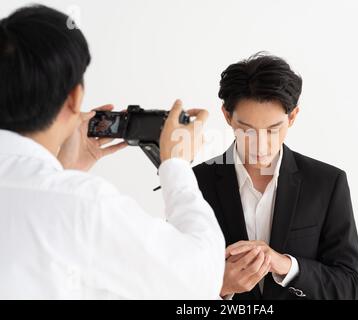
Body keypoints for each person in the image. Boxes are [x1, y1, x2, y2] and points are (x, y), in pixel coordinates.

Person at [0, 5, 224, 299]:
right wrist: (177, 165)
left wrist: (65, 169)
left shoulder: (69, 198)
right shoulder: (85, 205)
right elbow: (200, 278)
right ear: (74, 97)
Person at [193, 53, 358, 300]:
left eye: (273, 130)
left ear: (292, 117)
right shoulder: (194, 183)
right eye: (247, 130)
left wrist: (285, 266)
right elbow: (167, 286)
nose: (260, 146)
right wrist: (221, 287)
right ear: (227, 116)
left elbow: (349, 289)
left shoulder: (327, 183)